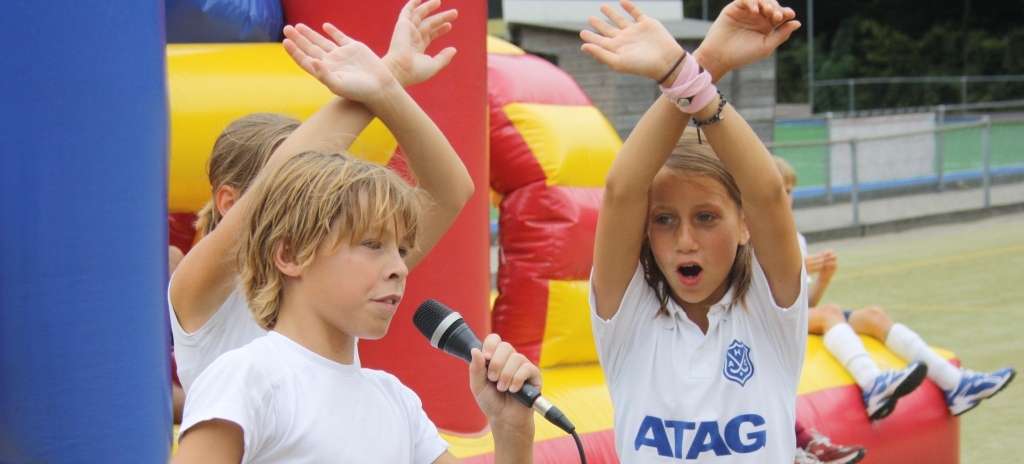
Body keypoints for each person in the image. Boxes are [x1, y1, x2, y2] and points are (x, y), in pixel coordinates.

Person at [173, 18, 541, 464]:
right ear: (287, 249)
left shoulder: (395, 401)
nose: (399, 266)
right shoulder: (223, 333)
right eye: (373, 244)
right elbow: (277, 191)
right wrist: (378, 87)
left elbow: (451, 191)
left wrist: (513, 437)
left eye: (400, 250)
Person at [167, 0, 460, 396]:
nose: (312, 198)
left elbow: (449, 192)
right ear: (231, 203)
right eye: (302, 188)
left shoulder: (327, 275)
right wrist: (383, 79)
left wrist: (389, 89)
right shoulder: (202, 291)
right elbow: (274, 191)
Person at [582, 0, 807, 461]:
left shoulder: (770, 313)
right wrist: (694, 68)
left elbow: (765, 190)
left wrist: (690, 72)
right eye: (664, 220)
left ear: (744, 225)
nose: (684, 240)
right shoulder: (628, 323)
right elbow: (622, 190)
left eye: (706, 217)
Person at [774, 156, 1016, 419]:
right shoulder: (755, 234)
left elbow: (805, 307)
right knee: (832, 312)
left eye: (791, 192)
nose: (788, 198)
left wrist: (823, 279)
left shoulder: (796, 237)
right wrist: (796, 273)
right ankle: (872, 384)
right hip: (770, 320)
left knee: (874, 316)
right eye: (782, 191)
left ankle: (955, 383)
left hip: (793, 315)